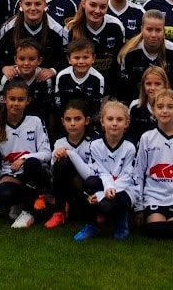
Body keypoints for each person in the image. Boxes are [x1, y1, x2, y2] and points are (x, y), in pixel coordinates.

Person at [0, 79, 52, 229]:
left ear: (28, 101)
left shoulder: (35, 121)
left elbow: (47, 153)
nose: (16, 103)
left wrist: (24, 158)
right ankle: (20, 203)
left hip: (35, 172)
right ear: (4, 100)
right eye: (12, 99)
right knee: (6, 195)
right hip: (11, 173)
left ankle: (27, 212)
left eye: (21, 99)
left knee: (32, 163)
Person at [71, 99, 137, 241]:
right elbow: (101, 171)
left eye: (119, 119)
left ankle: (121, 222)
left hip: (125, 188)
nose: (114, 123)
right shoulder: (95, 145)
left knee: (108, 205)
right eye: (110, 119)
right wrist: (106, 189)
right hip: (105, 185)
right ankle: (91, 226)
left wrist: (104, 194)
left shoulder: (130, 147)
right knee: (90, 183)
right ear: (102, 121)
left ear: (127, 123)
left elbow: (127, 176)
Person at [134, 88, 173, 240]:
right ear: (153, 110)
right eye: (160, 107)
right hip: (153, 196)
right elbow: (138, 172)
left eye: (170, 107)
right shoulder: (147, 137)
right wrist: (139, 207)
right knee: (157, 231)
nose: (165, 111)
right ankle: (154, 215)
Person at [0, 0, 70, 83]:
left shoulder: (57, 29)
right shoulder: (8, 28)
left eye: (37, 4)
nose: (33, 8)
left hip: (43, 83)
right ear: (21, 5)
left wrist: (53, 70)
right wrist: (3, 67)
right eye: (28, 4)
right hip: (14, 83)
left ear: (45, 5)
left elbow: (67, 56)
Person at [65, 0, 125, 91]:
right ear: (84, 4)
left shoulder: (116, 26)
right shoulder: (71, 29)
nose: (97, 11)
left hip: (108, 90)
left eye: (103, 7)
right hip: (78, 90)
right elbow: (65, 63)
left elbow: (119, 63)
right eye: (92, 5)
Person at [45, 99, 92, 229]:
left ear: (86, 121)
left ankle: (94, 208)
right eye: (68, 119)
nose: (72, 123)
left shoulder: (95, 141)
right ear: (62, 121)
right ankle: (59, 211)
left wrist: (71, 154)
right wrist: (56, 155)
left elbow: (94, 174)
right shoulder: (60, 142)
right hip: (67, 186)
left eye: (77, 119)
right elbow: (53, 172)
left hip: (89, 185)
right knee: (62, 164)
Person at [118, 10, 173, 102]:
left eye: (158, 30)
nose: (153, 35)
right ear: (142, 29)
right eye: (149, 29)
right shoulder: (130, 52)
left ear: (163, 31)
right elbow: (125, 87)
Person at [52, 38, 105, 123]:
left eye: (85, 57)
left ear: (93, 58)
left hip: (88, 120)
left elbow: (96, 105)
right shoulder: (62, 76)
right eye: (76, 58)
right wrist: (67, 119)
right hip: (66, 118)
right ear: (69, 59)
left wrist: (85, 120)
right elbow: (58, 102)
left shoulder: (98, 78)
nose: (81, 62)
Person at [127, 65, 170, 141]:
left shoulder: (171, 106)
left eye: (157, 84)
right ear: (143, 85)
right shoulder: (135, 106)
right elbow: (129, 135)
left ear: (165, 85)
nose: (152, 88)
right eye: (148, 84)